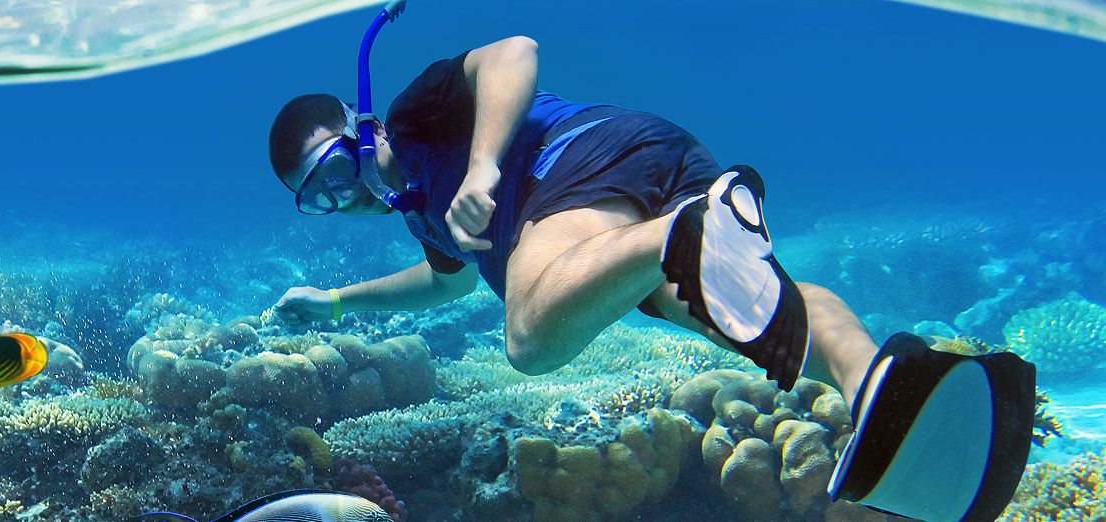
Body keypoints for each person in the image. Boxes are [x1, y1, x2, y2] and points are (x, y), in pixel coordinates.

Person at [266, 36, 1037, 521]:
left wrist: (484, 165)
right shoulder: (421, 215)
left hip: (579, 161)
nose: (344, 198)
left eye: (334, 170)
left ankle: (684, 229)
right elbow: (448, 287)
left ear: (359, 123)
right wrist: (330, 303)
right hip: (647, 173)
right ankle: (881, 383)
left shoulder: (412, 116)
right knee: (750, 317)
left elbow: (512, 54)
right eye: (319, 199)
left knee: (530, 338)